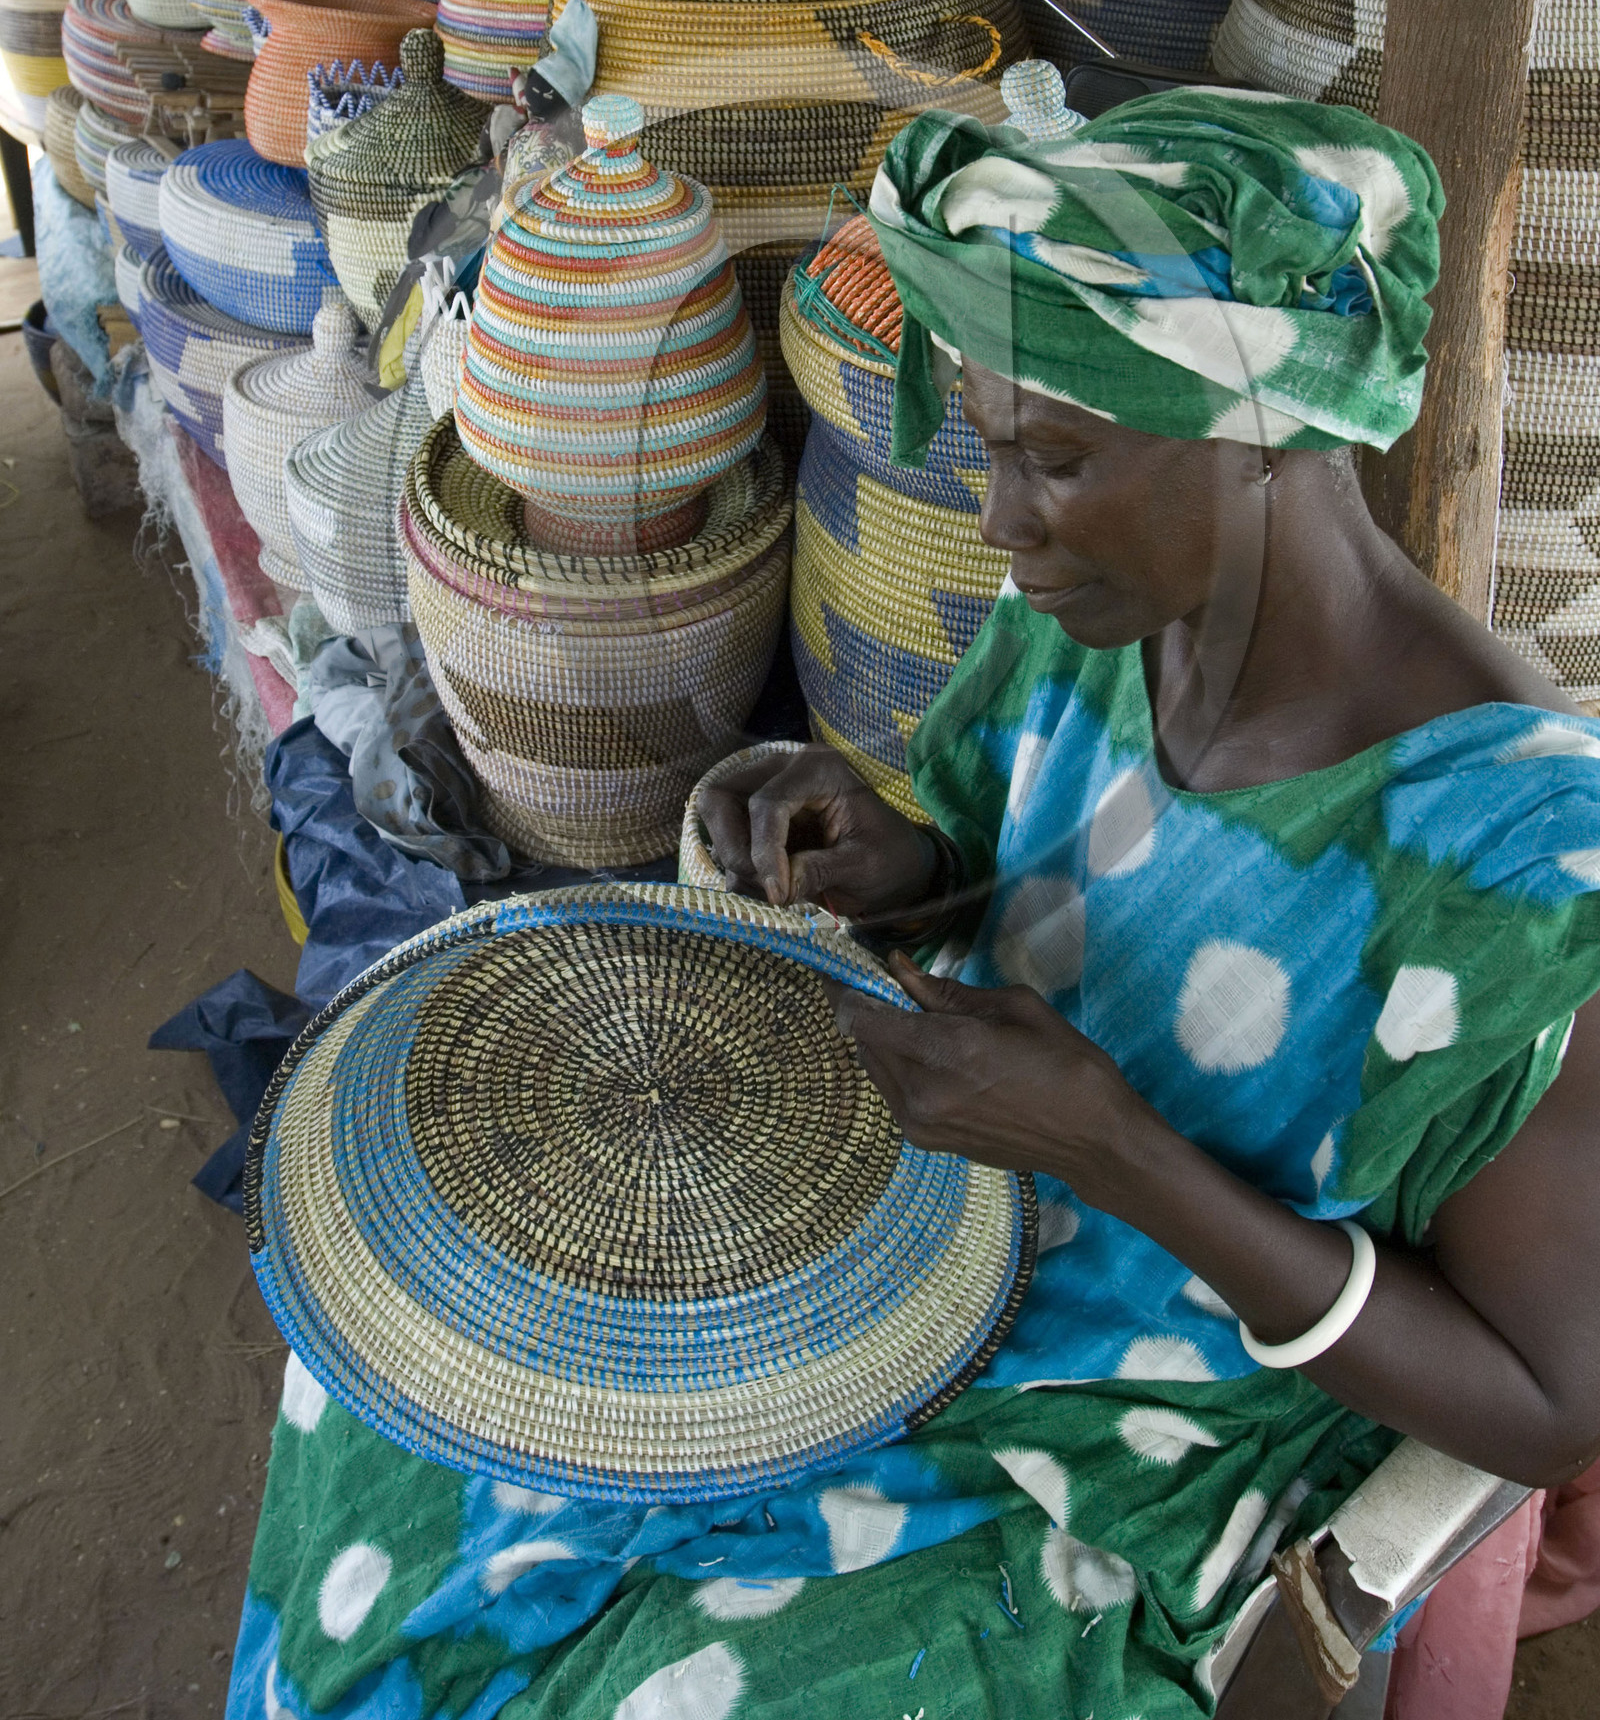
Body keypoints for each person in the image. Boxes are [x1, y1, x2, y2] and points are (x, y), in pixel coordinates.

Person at [228, 91, 1600, 1720]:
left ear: (1267, 432)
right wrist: (897, 853)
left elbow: (1546, 1403)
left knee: (682, 1690)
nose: (1001, 522)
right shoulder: (1102, 616)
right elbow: (1012, 846)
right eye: (989, 446)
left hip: (1124, 1411)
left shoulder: (1524, 868)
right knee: (384, 1391)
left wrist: (1120, 1155)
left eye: (1060, 460)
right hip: (906, 1226)